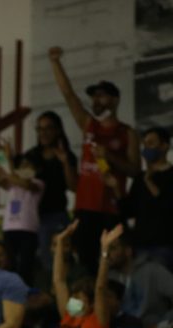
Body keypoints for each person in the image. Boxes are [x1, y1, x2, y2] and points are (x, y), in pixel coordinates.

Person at [48, 48, 139, 270]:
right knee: (87, 265)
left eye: (101, 95)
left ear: (115, 99)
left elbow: (135, 170)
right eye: (94, 96)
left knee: (113, 265)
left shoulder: (127, 133)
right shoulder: (89, 125)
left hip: (112, 209)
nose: (96, 100)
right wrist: (55, 62)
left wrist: (110, 156)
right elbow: (69, 94)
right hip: (85, 208)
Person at [120, 127, 173, 270]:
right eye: (144, 144)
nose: (146, 148)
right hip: (140, 245)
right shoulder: (139, 178)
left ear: (164, 146)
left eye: (151, 143)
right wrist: (116, 188)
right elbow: (129, 210)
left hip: (165, 245)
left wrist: (150, 183)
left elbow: (172, 208)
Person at [22, 111, 78, 269]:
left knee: (58, 259)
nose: (43, 133)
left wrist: (65, 162)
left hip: (56, 214)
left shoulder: (67, 156)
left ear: (57, 130)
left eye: (48, 128)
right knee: (37, 262)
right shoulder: (32, 155)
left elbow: (73, 186)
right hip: (31, 216)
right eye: (40, 129)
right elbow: (21, 181)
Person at [0, 147, 45, 287]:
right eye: (22, 165)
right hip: (9, 228)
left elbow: (23, 183)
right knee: (9, 263)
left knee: (26, 265)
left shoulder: (37, 183)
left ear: (36, 169)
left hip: (28, 229)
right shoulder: (13, 184)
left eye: (28, 165)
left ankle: (25, 291)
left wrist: (8, 163)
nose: (24, 168)